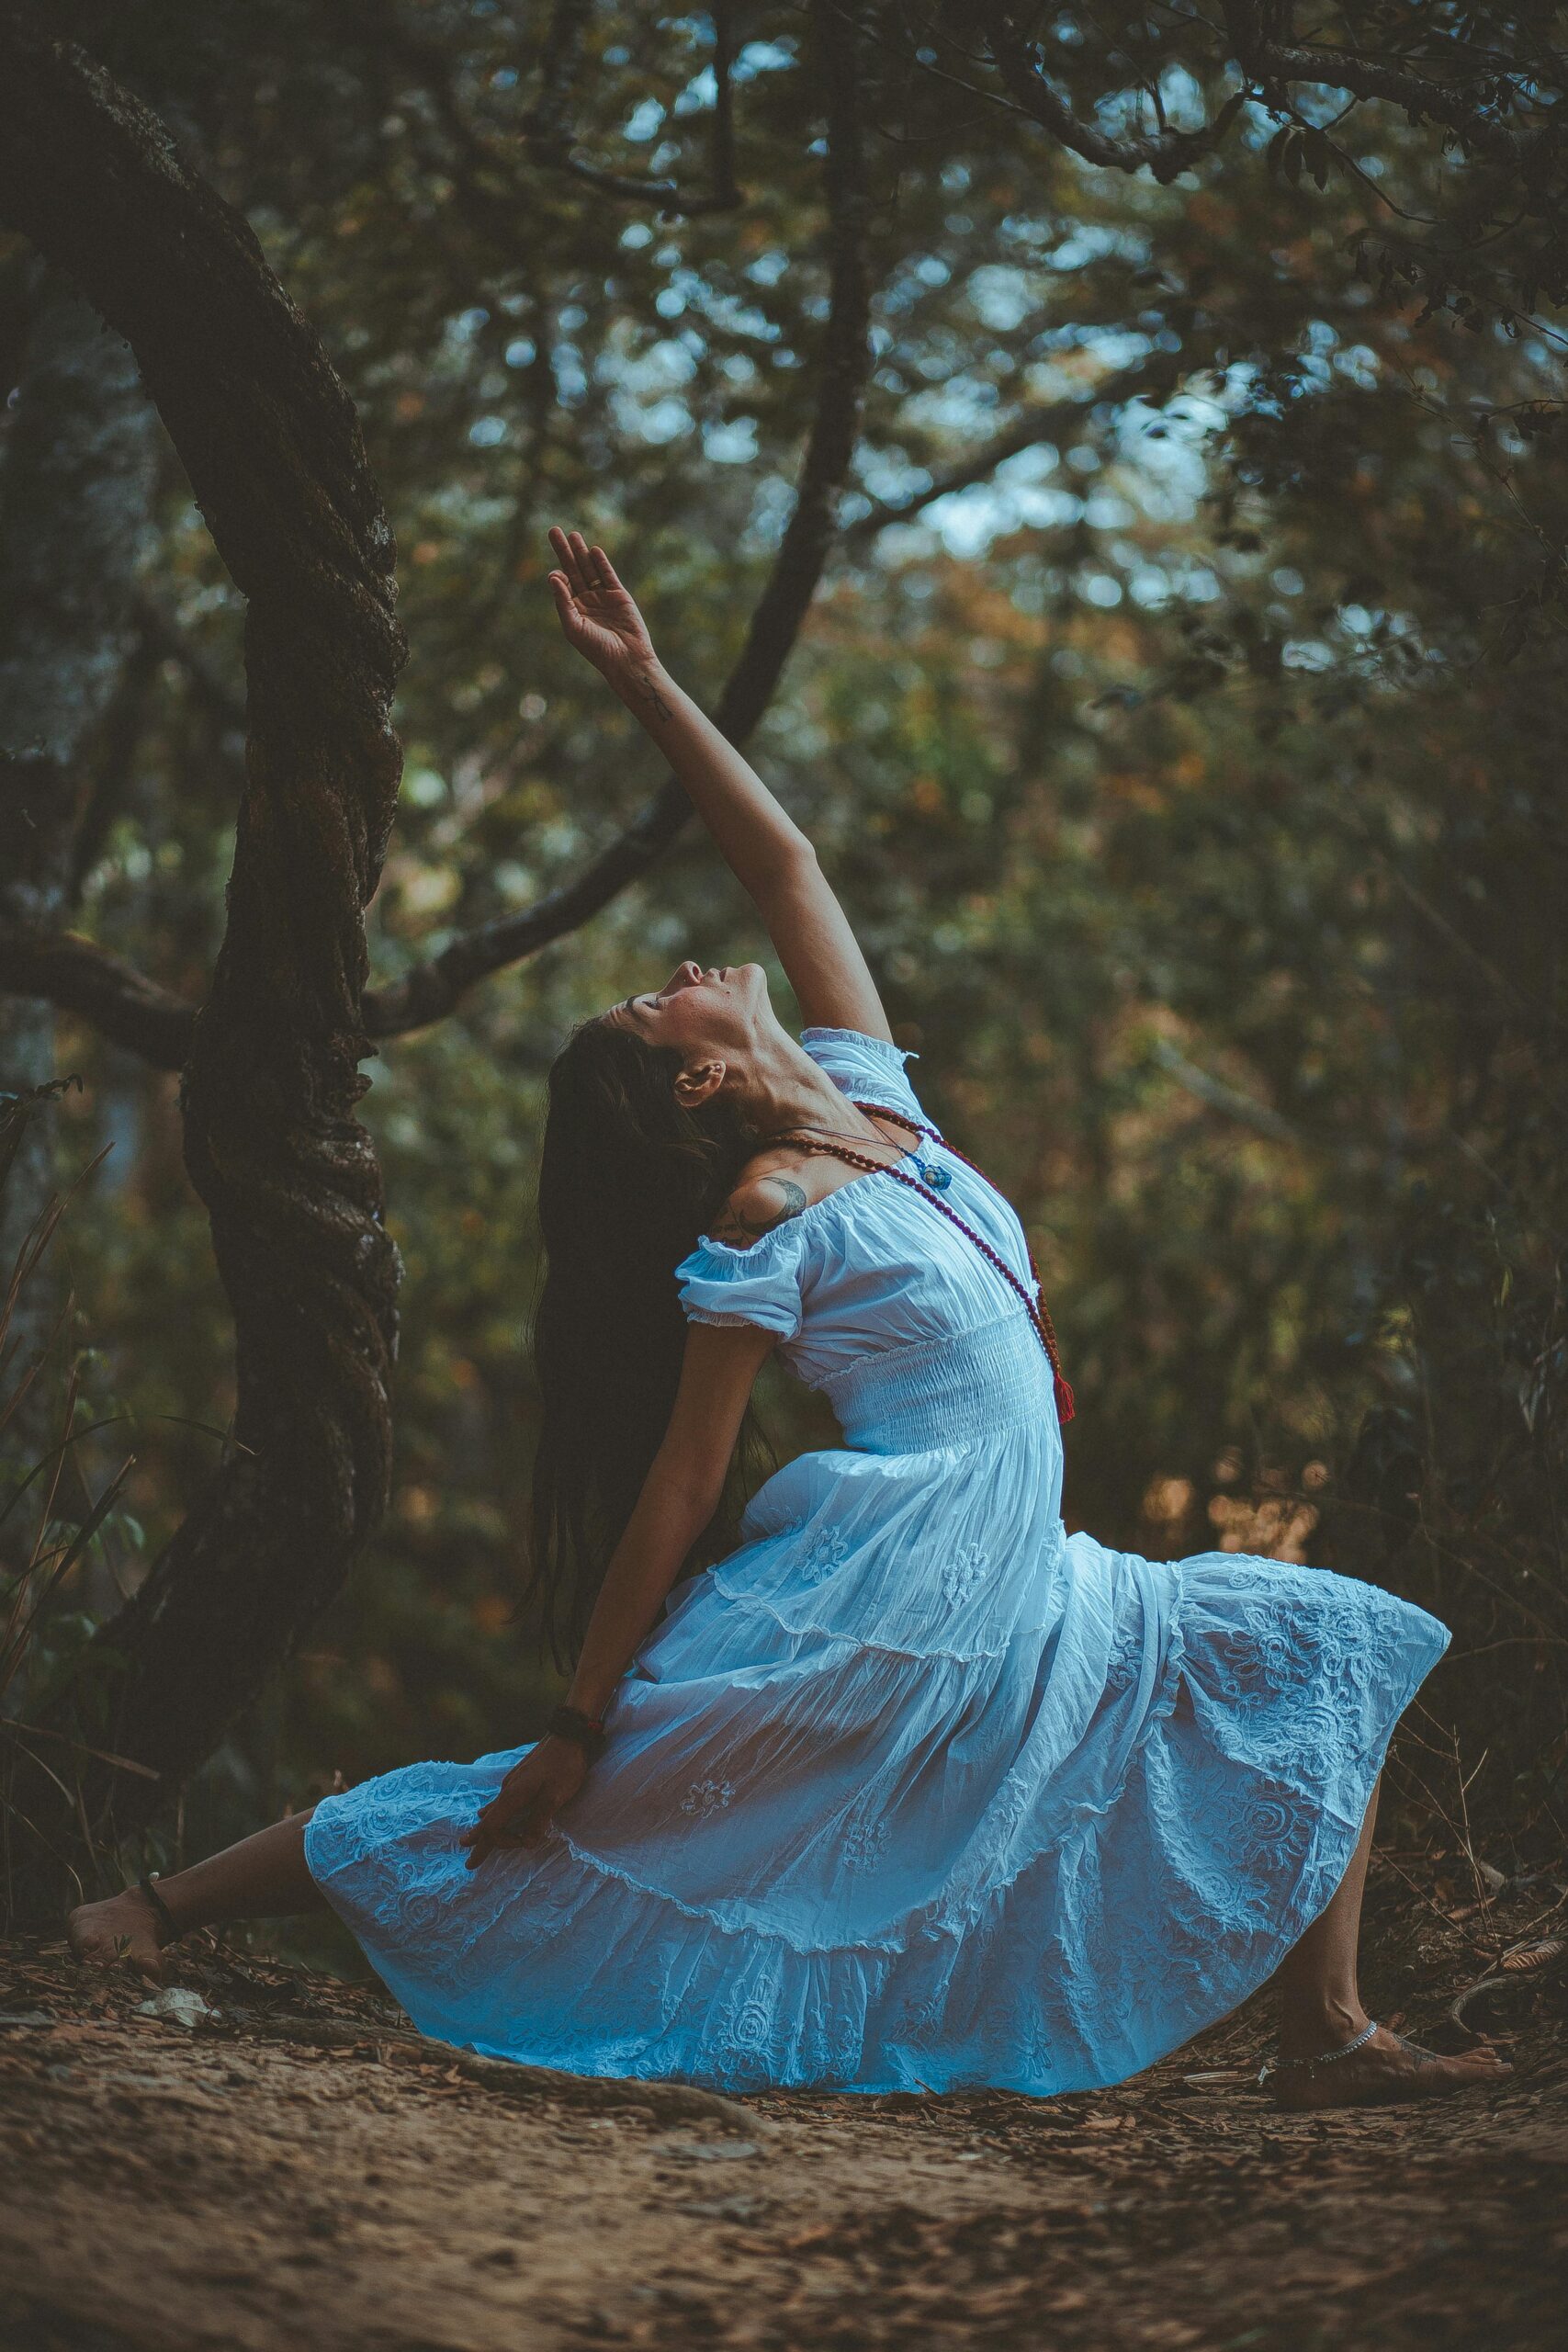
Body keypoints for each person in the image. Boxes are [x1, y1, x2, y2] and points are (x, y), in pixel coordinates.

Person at [71, 529, 1508, 2113]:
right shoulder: (766, 1216)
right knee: (562, 1802)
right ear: (697, 1078)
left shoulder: (878, 1102)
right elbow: (684, 1481)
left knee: (1328, 1640)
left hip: (1018, 1586)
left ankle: (1329, 2035)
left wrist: (644, 677)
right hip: (869, 1607)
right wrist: (576, 1712)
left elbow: (787, 868)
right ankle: (156, 1906)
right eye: (654, 1000)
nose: (683, 969)